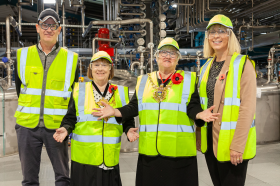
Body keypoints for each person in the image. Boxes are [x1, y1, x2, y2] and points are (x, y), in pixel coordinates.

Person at [92, 38, 220, 186]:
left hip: (179, 154)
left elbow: (192, 106)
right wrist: (114, 111)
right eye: (164, 52)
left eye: (172, 53)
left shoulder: (189, 80)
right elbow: (134, 107)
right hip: (150, 154)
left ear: (178, 58)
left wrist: (199, 114)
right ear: (156, 57)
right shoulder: (144, 81)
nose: (168, 56)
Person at [14, 8, 79, 186]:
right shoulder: (22, 56)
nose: (48, 29)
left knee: (63, 178)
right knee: (29, 180)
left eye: (53, 25)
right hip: (27, 127)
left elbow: (74, 98)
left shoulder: (71, 59)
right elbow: (20, 90)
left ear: (59, 29)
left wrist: (67, 126)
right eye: (45, 25)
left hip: (56, 127)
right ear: (37, 28)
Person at [53, 51, 137, 186]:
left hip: (109, 157)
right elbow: (70, 117)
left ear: (110, 69)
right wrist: (65, 128)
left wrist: (128, 130)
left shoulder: (121, 92)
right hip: (84, 158)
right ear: (91, 69)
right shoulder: (79, 90)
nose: (100, 68)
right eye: (96, 65)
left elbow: (126, 117)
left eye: (104, 65)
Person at [196, 14, 257, 186]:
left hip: (232, 142)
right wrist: (199, 135)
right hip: (210, 140)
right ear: (207, 38)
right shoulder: (206, 66)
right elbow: (204, 103)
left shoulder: (243, 64)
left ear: (230, 36)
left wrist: (238, 145)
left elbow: (247, 108)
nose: (216, 36)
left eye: (221, 31)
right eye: (212, 32)